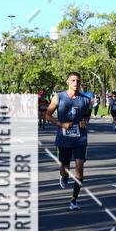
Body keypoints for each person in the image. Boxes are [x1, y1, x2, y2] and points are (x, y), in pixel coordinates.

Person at [45, 72, 91, 210]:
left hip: (80, 138)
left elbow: (87, 114)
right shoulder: (59, 97)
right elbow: (47, 115)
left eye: (78, 80)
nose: (76, 83)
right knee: (65, 167)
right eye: (73, 80)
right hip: (64, 138)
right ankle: (64, 176)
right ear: (68, 82)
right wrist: (61, 124)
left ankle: (74, 200)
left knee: (80, 168)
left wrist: (84, 121)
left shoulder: (85, 99)